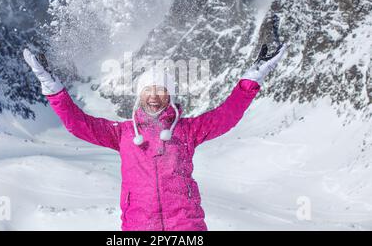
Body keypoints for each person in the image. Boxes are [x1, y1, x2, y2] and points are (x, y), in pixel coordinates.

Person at [23, 43, 286, 231]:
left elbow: (226, 116)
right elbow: (79, 124)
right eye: (148, 90)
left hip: (187, 227)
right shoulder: (123, 133)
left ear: (170, 95)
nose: (153, 96)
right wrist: (53, 88)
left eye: (160, 90)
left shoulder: (187, 130)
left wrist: (252, 79)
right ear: (139, 96)